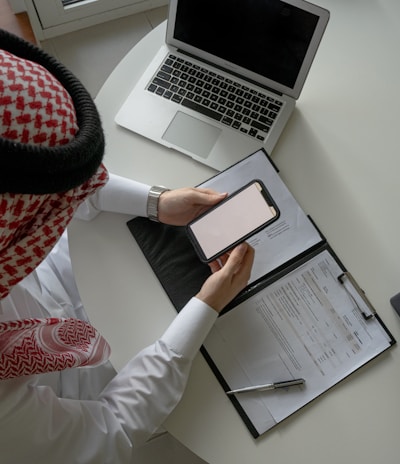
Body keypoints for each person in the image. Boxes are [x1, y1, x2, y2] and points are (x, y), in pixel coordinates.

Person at [0, 29, 254, 463]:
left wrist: (156, 202)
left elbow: (65, 184)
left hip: (65, 281)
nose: (74, 196)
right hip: (90, 387)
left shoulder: (14, 220)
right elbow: (111, 430)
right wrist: (204, 308)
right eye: (52, 203)